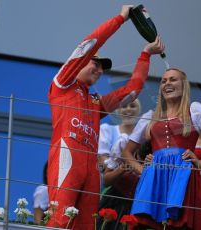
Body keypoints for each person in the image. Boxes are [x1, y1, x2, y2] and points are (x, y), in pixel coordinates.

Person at [46, 5, 165, 229]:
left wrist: (146, 54)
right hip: (67, 156)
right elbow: (89, 45)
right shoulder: (62, 83)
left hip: (91, 167)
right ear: (82, 62)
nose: (100, 71)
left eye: (103, 68)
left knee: (87, 225)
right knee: (59, 220)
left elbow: (132, 90)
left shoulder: (95, 102)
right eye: (96, 64)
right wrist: (120, 19)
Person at [122, 68, 201, 230]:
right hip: (154, 178)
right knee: (147, 225)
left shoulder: (194, 110)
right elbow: (126, 152)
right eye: (164, 80)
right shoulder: (150, 116)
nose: (167, 83)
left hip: (184, 177)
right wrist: (143, 171)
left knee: (180, 225)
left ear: (184, 85)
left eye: (173, 79)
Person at [97, 99, 142, 230]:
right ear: (118, 110)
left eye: (132, 106)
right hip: (113, 188)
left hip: (135, 193)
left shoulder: (143, 135)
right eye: (124, 106)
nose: (128, 109)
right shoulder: (108, 130)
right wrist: (124, 165)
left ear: (139, 110)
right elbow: (102, 160)